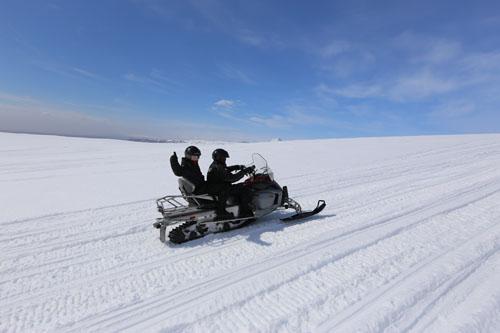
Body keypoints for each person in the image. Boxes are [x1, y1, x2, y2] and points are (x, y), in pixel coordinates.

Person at [207, 148, 255, 220]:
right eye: (223, 158)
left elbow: (226, 169)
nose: (224, 159)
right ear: (218, 157)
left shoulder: (216, 165)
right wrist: (244, 171)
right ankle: (245, 212)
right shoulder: (218, 167)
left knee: (242, 186)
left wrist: (237, 167)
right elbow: (232, 178)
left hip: (220, 187)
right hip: (222, 189)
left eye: (225, 158)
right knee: (245, 189)